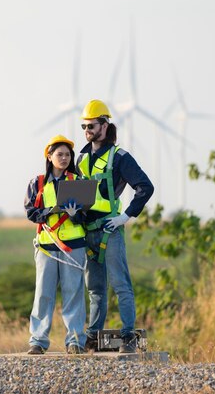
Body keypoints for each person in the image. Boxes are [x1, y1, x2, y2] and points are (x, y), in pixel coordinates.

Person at [76, 99, 154, 353]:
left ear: (105, 125)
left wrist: (126, 216)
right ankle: (92, 337)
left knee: (121, 285)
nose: (87, 131)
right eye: (84, 127)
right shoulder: (81, 158)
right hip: (87, 230)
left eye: (91, 126)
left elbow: (145, 187)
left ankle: (128, 336)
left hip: (110, 229)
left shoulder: (119, 157)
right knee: (95, 289)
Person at [24, 134, 88, 355]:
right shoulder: (37, 183)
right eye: (59, 154)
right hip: (47, 246)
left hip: (73, 246)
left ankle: (75, 341)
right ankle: (38, 341)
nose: (64, 158)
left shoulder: (78, 183)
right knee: (43, 294)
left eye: (68, 155)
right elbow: (30, 212)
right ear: (49, 157)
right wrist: (49, 212)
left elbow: (86, 217)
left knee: (74, 293)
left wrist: (75, 214)